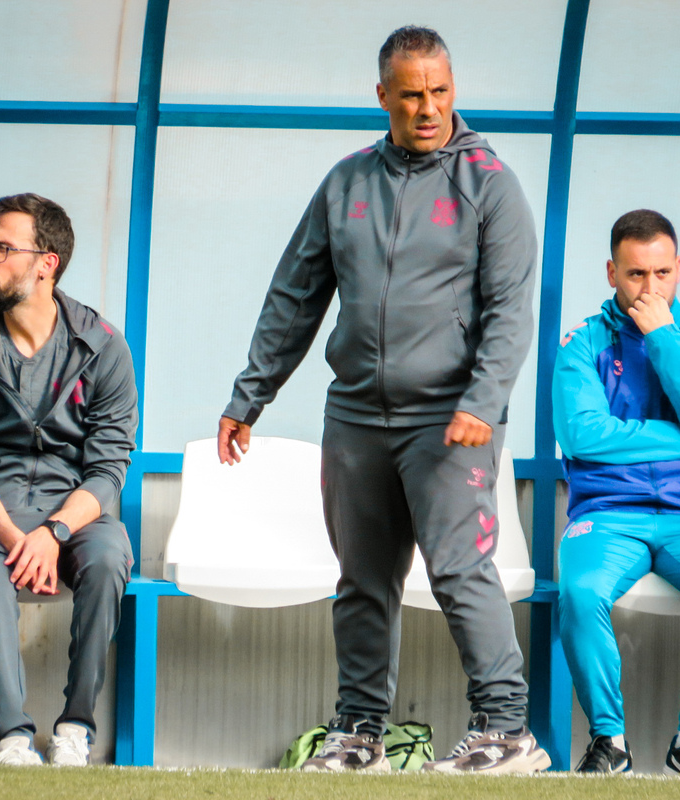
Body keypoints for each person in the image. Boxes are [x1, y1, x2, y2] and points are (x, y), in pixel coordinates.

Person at [218, 27, 547, 774]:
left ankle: (506, 730)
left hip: (450, 419)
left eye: (439, 91)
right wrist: (250, 396)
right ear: (383, 97)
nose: (428, 108)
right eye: (411, 94)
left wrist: (483, 400)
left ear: (453, 88)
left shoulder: (490, 183)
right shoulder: (346, 183)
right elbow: (295, 295)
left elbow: (509, 311)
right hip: (357, 417)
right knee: (362, 581)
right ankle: (358, 733)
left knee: (460, 570)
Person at [0, 193, 138, 766]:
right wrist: (17, 538)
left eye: (3, 247)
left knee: (110, 556)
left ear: (46, 262)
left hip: (72, 512)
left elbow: (108, 469)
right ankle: (13, 737)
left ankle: (75, 728)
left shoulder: (103, 346)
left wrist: (53, 533)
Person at [553, 209, 680, 775]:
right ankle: (609, 743)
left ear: (679, 269)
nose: (651, 287)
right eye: (636, 274)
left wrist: (663, 337)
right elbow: (580, 434)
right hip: (609, 511)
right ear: (611, 273)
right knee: (579, 592)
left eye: (662, 273)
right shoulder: (582, 343)